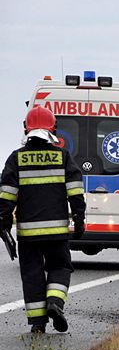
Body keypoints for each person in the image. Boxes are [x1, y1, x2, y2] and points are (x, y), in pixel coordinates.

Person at [0, 106, 85, 333]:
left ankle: (38, 324)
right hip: (56, 232)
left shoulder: (15, 159)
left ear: (26, 128)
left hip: (28, 234)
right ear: (53, 129)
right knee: (59, 267)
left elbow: (7, 195)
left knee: (32, 275)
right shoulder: (63, 157)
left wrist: (4, 223)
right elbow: (75, 190)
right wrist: (79, 218)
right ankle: (55, 303)